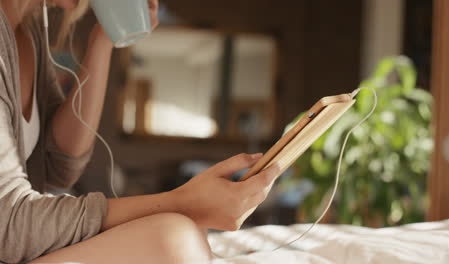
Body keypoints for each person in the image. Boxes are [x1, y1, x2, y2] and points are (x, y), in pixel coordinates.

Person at [0, 0, 280, 263]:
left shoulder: (29, 29)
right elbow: (9, 225)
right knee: (174, 239)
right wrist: (180, 201)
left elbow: (57, 165)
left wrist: (104, 40)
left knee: (187, 235)